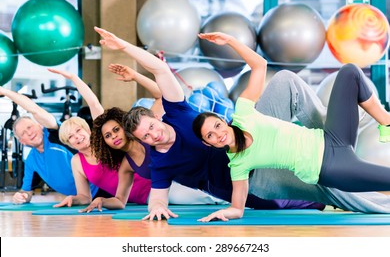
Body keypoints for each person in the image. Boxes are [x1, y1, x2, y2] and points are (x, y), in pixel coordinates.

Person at [94, 26, 327, 221]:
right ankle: (324, 196)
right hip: (234, 182)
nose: (153, 136)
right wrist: (156, 207)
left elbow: (160, 70)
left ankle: (328, 134)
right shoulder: (160, 162)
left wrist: (124, 46)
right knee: (292, 202)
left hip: (246, 141)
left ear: (156, 117)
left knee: (284, 83)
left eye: (151, 127)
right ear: (140, 140)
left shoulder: (175, 110)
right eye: (145, 136)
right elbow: (157, 194)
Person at [192, 32, 390, 221]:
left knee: (350, 72)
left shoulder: (243, 112)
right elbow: (237, 208)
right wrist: (224, 213)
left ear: (223, 121)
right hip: (331, 168)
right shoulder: (238, 165)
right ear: (208, 143)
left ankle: (386, 121)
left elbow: (259, 65)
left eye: (217, 126)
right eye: (210, 135)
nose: (218, 134)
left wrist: (231, 41)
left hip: (332, 137)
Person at [49, 65, 226, 211]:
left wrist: (75, 78)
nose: (114, 136)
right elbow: (119, 200)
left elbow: (160, 95)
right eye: (108, 136)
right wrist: (101, 200)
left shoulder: (145, 133)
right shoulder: (119, 160)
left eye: (116, 130)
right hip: (155, 196)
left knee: (214, 190)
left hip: (183, 178)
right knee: (208, 195)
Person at [0, 86, 98, 204]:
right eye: (24, 133)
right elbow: (27, 191)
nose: (29, 133)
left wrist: (4, 92)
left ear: (40, 125)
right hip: (83, 200)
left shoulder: (56, 134)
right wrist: (21, 197)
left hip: (105, 188)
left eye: (30, 127)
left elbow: (35, 110)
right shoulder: (31, 160)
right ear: (22, 142)